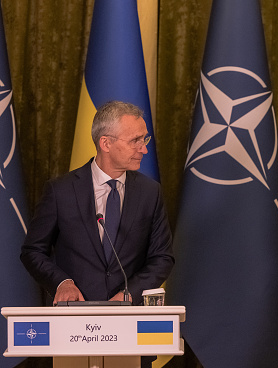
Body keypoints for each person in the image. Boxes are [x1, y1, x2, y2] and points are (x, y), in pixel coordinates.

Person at [21, 100, 174, 305]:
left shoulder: (150, 192)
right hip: (73, 315)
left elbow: (162, 257)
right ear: (106, 143)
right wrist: (61, 283)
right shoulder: (60, 191)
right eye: (135, 140)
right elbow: (33, 251)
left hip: (129, 315)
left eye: (144, 139)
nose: (143, 150)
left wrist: (129, 294)